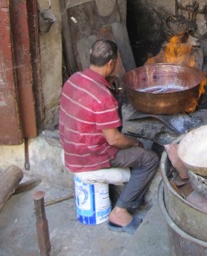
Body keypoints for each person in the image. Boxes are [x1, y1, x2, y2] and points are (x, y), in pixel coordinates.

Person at [59, 39, 159, 234]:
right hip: (90, 157)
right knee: (149, 158)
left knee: (128, 142)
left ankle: (133, 197)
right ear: (111, 63)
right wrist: (136, 143)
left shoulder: (74, 79)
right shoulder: (103, 98)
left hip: (72, 147)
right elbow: (114, 140)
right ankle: (119, 213)